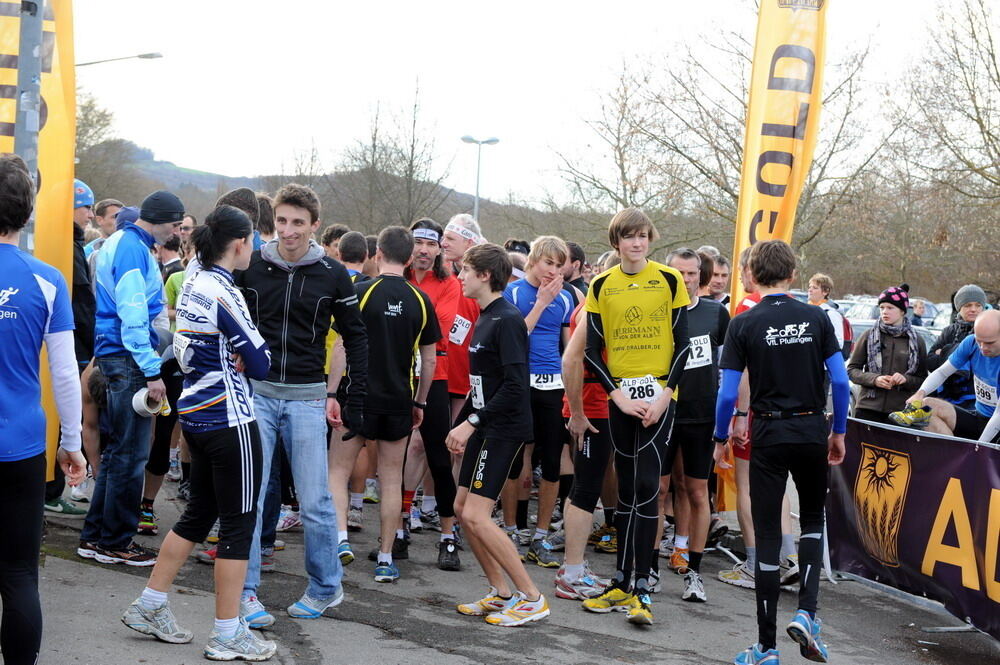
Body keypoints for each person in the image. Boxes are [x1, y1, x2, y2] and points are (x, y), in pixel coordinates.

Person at [120, 205, 277, 661]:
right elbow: (262, 362)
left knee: (198, 514)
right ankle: (228, 632)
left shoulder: (192, 277)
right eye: (254, 241)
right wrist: (243, 353)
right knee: (238, 525)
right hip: (230, 418)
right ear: (241, 243)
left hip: (195, 415)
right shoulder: (225, 291)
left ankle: (150, 604)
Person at [234, 183, 368, 628]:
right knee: (250, 497)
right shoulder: (251, 265)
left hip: (308, 399)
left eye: (298, 223)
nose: (288, 231)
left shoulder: (333, 274)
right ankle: (245, 591)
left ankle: (327, 587)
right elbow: (224, 315)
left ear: (314, 226)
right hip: (257, 394)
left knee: (314, 502)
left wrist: (353, 393)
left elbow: (356, 335)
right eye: (282, 221)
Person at [714, 240, 848, 665]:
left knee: (770, 532)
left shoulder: (744, 323)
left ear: (752, 273)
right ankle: (807, 612)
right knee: (811, 518)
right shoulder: (817, 316)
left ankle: (767, 647)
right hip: (811, 426)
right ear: (793, 274)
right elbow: (842, 384)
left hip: (768, 430)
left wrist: (721, 438)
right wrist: (838, 430)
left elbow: (728, 393)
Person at [580, 208, 690, 626]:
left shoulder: (669, 279)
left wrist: (664, 395)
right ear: (617, 242)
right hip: (622, 397)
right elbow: (592, 351)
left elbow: (684, 344)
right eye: (629, 237)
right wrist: (618, 397)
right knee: (626, 489)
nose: (637, 243)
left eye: (643, 235)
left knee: (648, 486)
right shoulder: (602, 284)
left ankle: (643, 585)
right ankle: (622, 582)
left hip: (660, 396)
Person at [0, 155, 86, 665]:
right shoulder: (47, 279)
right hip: (22, 445)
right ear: (28, 212)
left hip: (23, 444)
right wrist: (71, 443)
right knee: (17, 573)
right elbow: (64, 374)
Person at [79, 190, 185, 566]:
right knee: (131, 453)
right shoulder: (133, 248)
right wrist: (152, 369)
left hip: (118, 355)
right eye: (175, 223)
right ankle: (115, 541)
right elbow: (132, 312)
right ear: (159, 219)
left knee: (118, 453)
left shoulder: (123, 242)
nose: (176, 231)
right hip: (129, 358)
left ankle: (96, 537)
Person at [330, 226, 440, 582]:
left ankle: (341, 540)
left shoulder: (360, 290)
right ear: (409, 260)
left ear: (377, 255)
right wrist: (420, 401)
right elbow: (430, 361)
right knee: (391, 480)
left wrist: (332, 394)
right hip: (398, 399)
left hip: (357, 397)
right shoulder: (422, 300)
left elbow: (341, 346)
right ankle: (385, 557)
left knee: (337, 472)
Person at [449, 243, 550, 627]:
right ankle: (500, 592)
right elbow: (482, 385)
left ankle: (532, 597)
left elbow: (513, 386)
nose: (460, 277)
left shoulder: (506, 319)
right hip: (483, 425)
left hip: (502, 429)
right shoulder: (486, 315)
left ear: (485, 275)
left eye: (465, 270)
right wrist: (463, 421)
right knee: (462, 509)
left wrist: (470, 422)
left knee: (476, 515)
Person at [503, 236, 575, 568]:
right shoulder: (515, 292)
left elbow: (568, 349)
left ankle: (541, 534)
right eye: (548, 263)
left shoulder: (565, 298)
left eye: (559, 266)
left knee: (551, 464)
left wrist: (571, 392)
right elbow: (516, 337)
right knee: (515, 461)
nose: (553, 271)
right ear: (532, 261)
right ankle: (511, 528)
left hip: (552, 386)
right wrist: (541, 302)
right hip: (520, 383)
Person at [662, 248, 729, 602]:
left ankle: (693, 569)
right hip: (662, 412)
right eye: (679, 273)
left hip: (702, 415)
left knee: (696, 490)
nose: (686, 280)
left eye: (692, 274)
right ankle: (647, 570)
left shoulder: (716, 313)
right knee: (657, 490)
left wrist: (735, 415)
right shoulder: (659, 312)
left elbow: (733, 367)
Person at [402, 218, 462, 569]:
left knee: (439, 458)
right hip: (398, 374)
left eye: (431, 244)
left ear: (439, 249)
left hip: (434, 374)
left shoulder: (449, 283)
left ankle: (447, 536)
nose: (424, 250)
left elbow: (441, 328)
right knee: (397, 455)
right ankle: (398, 529)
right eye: (418, 243)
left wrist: (400, 323)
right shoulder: (400, 277)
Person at [892, 309, 1000, 443]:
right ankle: (953, 457)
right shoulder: (971, 343)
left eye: (989, 343)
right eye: (980, 341)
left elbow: (998, 415)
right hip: (980, 416)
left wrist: (979, 447)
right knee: (926, 407)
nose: (983, 348)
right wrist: (920, 393)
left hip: (997, 424)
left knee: (980, 450)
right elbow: (942, 372)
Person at [847, 286, 927, 424]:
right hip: (868, 408)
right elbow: (852, 370)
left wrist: (905, 379)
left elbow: (922, 379)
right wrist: (875, 379)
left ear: (902, 311)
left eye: (890, 308)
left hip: (902, 411)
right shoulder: (868, 335)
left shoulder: (917, 340)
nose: (885, 312)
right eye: (882, 307)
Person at [441, 214, 485, 422]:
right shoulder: (441, 273)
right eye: (444, 238)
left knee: (458, 445)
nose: (443, 243)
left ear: (469, 242)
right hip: (436, 373)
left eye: (450, 239)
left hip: (466, 377)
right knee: (418, 445)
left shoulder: (484, 279)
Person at [924, 284, 986, 410]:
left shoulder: (989, 330)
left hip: (978, 401)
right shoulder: (949, 331)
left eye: (978, 305)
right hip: (947, 397)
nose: (973, 309)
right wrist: (953, 352)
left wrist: (944, 352)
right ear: (959, 308)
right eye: (968, 305)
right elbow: (930, 362)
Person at [807, 273, 849, 358]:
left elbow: (838, 343)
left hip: (823, 365)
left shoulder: (831, 313)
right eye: (810, 287)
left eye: (815, 288)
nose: (810, 290)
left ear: (825, 292)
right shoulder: (806, 309)